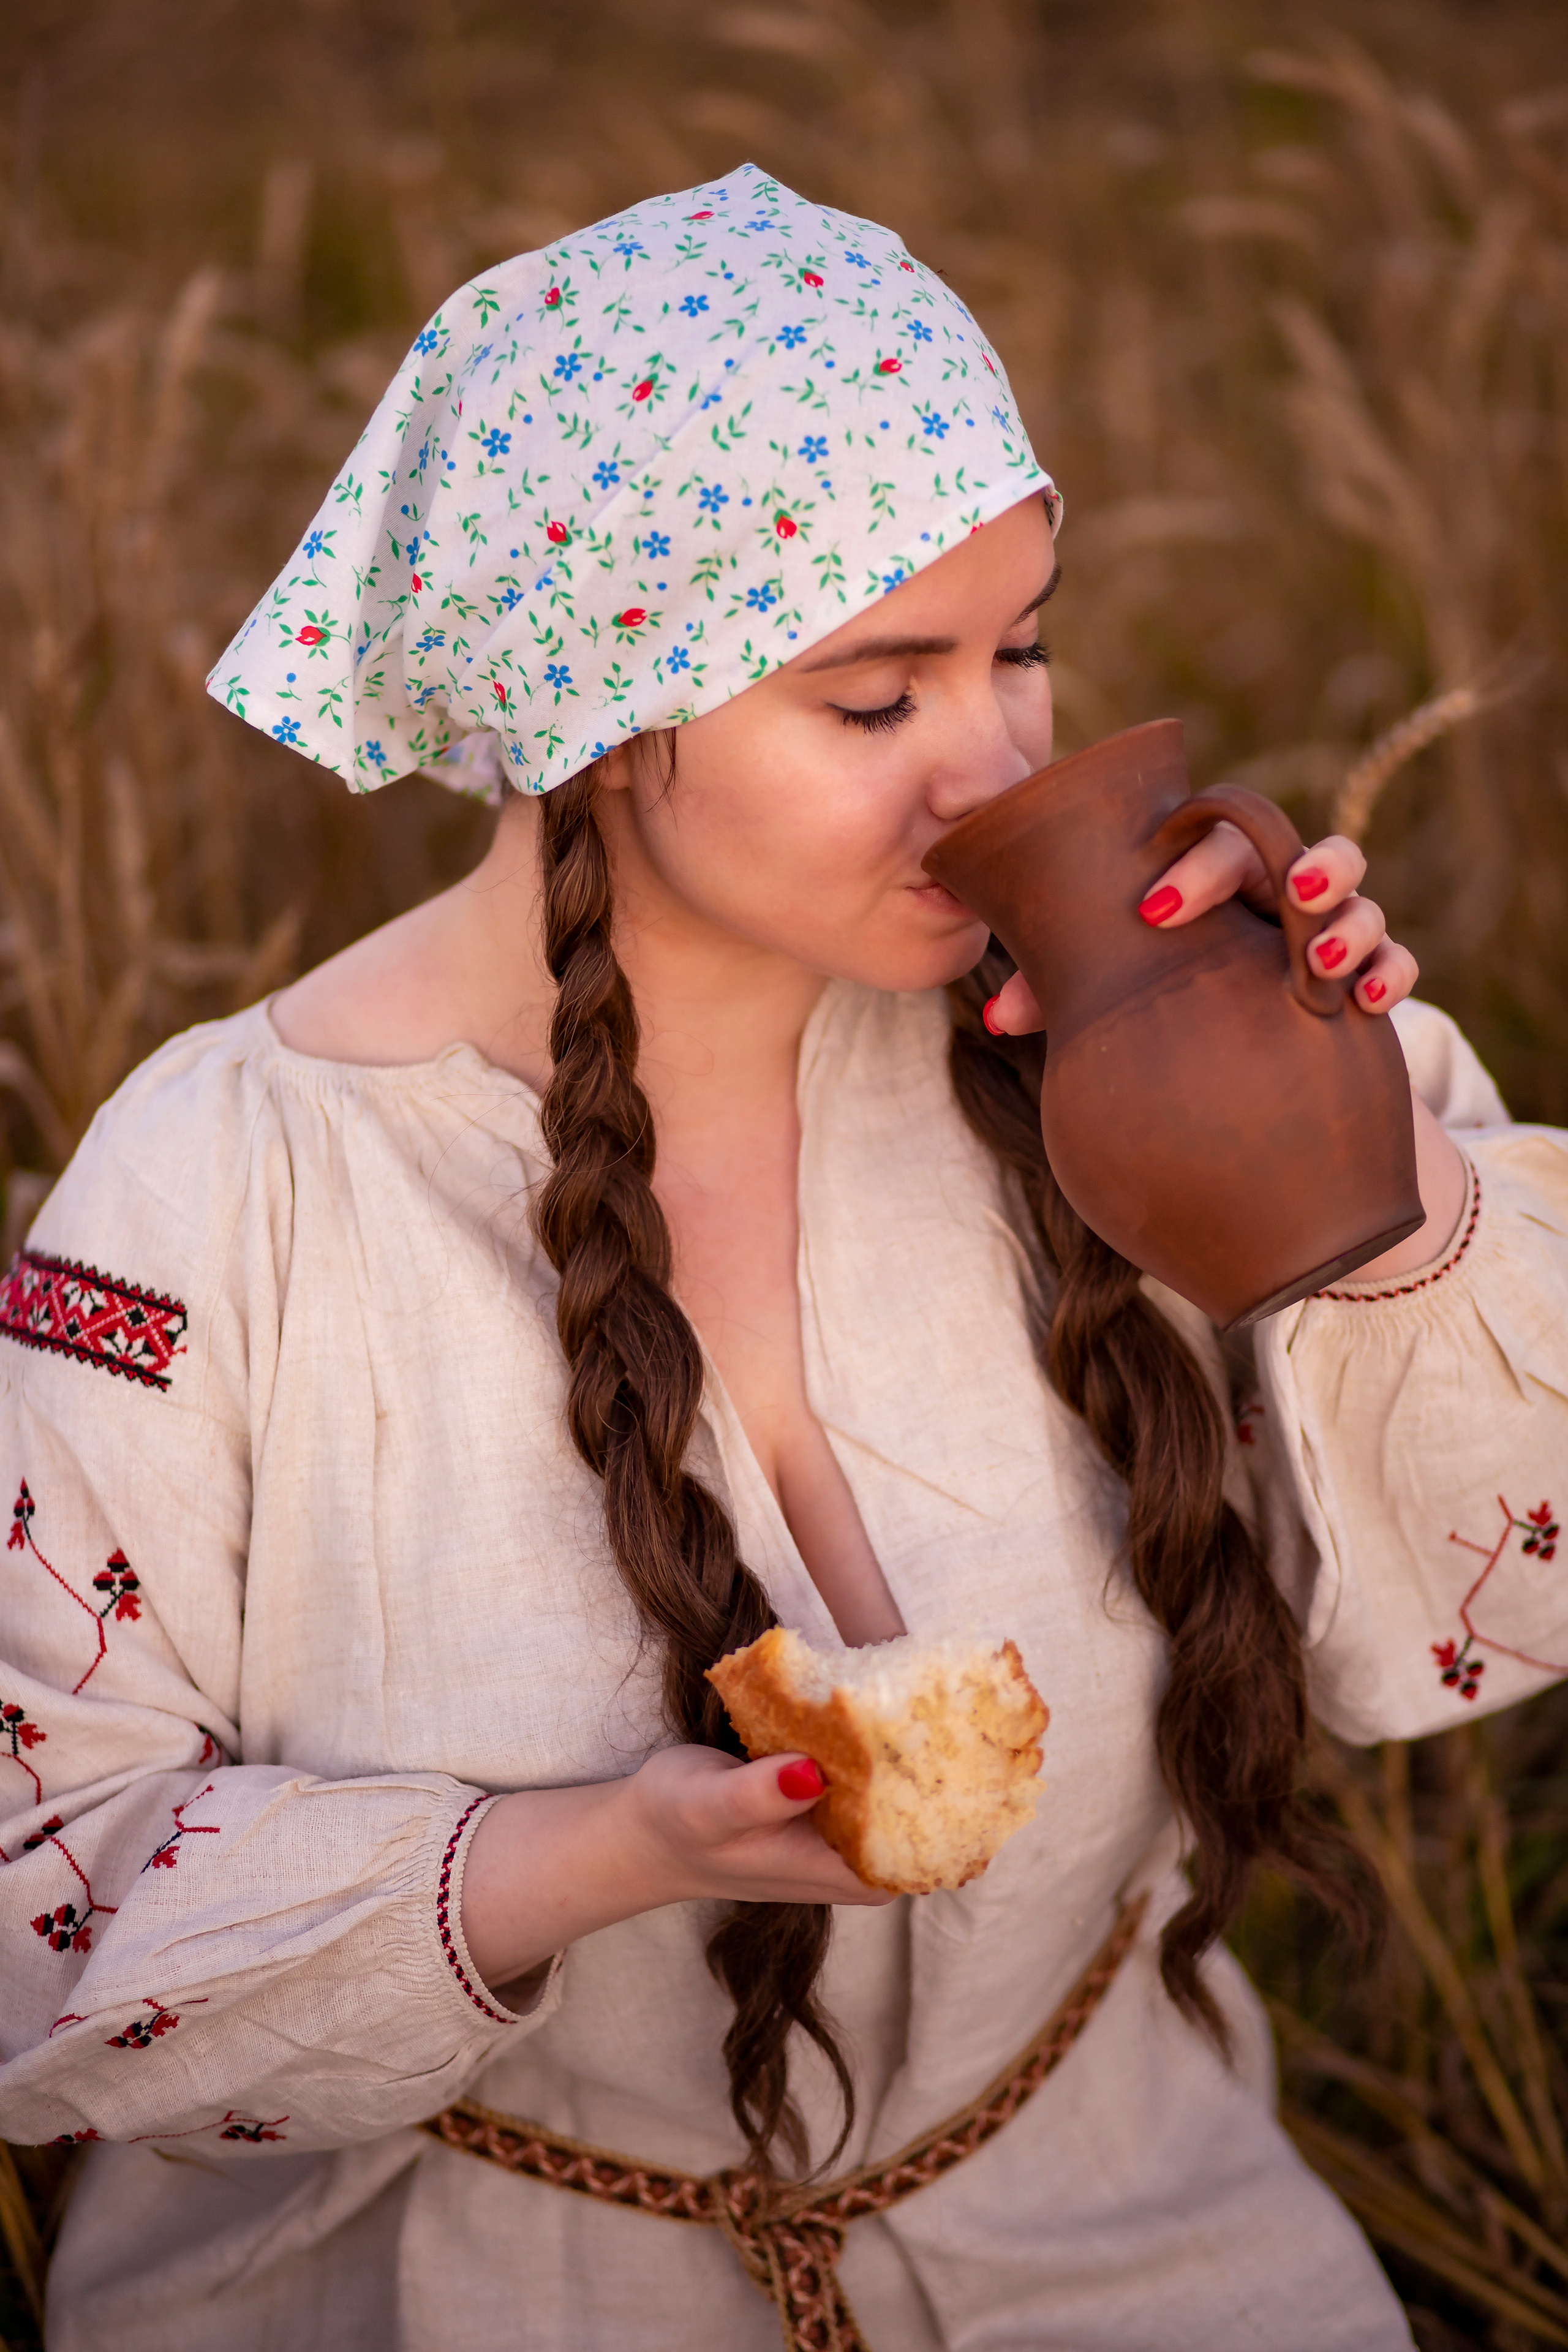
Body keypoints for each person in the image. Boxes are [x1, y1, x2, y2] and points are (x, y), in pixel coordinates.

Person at [1, 162, 1564, 2352]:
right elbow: (41, 1901)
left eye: (1018, 649)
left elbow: (1483, 1595)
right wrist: (606, 1854)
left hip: (1132, 2238)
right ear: (604, 712)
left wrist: (1366, 1151)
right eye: (873, 697)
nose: (998, 765)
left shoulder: (1097, 1062)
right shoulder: (220, 1189)